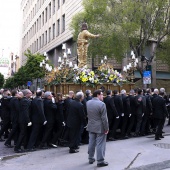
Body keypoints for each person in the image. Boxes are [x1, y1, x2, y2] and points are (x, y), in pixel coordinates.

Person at [86, 89, 109, 167]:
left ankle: (90, 158)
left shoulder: (88, 102)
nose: (103, 96)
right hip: (100, 127)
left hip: (91, 125)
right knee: (100, 144)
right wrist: (106, 128)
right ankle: (100, 160)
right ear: (98, 95)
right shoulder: (101, 104)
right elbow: (104, 118)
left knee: (91, 142)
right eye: (102, 94)